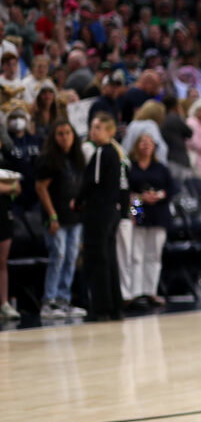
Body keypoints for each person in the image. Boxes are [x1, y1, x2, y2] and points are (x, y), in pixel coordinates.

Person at [35, 120, 87, 319]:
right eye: (60, 134)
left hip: (74, 218)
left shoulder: (76, 158)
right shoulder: (48, 159)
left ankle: (64, 300)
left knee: (72, 258)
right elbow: (41, 188)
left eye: (68, 133)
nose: (65, 137)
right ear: (54, 137)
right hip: (56, 218)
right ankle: (49, 301)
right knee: (58, 257)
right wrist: (52, 215)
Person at [79, 114, 125, 321]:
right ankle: (116, 304)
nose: (93, 131)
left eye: (98, 127)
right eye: (92, 127)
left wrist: (134, 214)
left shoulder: (104, 153)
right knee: (114, 257)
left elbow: (92, 183)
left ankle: (103, 307)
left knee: (102, 258)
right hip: (118, 212)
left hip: (106, 212)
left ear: (110, 131)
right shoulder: (118, 154)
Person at [127, 132, 174, 306]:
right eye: (142, 142)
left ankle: (151, 291)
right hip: (138, 207)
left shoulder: (161, 168)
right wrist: (139, 199)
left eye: (149, 142)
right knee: (136, 252)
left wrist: (159, 195)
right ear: (136, 145)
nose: (146, 145)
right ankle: (136, 292)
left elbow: (171, 189)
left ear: (154, 147)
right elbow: (128, 191)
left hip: (159, 211)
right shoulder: (131, 167)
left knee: (154, 254)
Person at [0, 140, 21, 319]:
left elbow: (18, 187)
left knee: (2, 261)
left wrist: (7, 188)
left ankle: (4, 303)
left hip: (4, 214)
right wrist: (9, 188)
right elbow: (12, 187)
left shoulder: (5, 164)